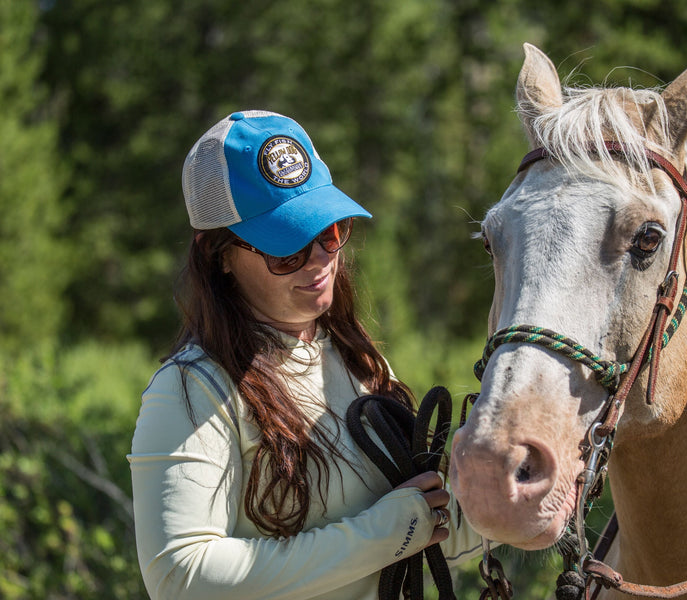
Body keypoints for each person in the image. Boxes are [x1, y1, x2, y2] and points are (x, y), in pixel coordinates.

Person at [127, 110, 484, 599]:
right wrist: (385, 533)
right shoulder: (191, 388)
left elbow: (432, 533)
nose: (319, 260)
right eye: (286, 250)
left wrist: (500, 488)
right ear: (220, 256)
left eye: (328, 232)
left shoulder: (360, 363)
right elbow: (181, 576)